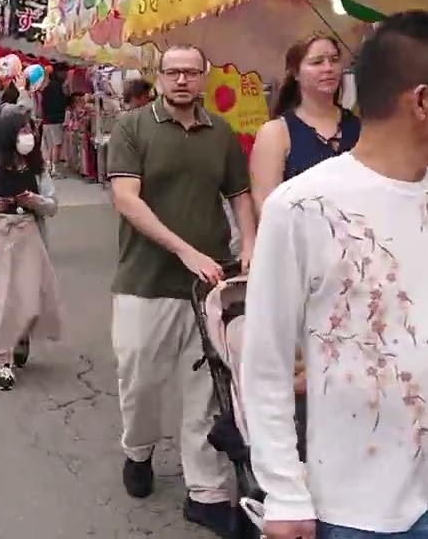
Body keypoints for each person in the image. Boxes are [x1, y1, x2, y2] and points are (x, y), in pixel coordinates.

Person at [241, 11, 428, 539]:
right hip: (358, 515)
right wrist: (284, 493)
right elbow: (266, 365)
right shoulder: (302, 207)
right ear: (420, 100)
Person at [105, 44, 256, 538]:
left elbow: (239, 195)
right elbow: (126, 198)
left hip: (210, 284)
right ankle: (139, 449)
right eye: (173, 72)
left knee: (209, 388)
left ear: (204, 78)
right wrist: (183, 250)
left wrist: (251, 243)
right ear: (159, 76)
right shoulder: (133, 127)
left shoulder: (222, 133)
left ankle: (206, 490)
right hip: (145, 281)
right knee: (140, 379)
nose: (182, 80)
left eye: (191, 72)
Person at [0, 110, 64, 390]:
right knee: (2, 301)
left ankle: (22, 336)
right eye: (22, 131)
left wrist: (36, 201)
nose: (28, 136)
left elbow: (53, 205)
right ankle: (4, 362)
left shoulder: (38, 169)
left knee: (30, 296)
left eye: (30, 130)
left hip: (29, 238)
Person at [249, 33, 361, 212]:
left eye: (334, 60)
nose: (328, 68)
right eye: (317, 62)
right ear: (295, 73)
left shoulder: (360, 128)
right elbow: (266, 205)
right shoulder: (277, 132)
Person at [41, 68, 69, 174]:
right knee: (57, 144)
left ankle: (48, 166)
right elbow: (63, 102)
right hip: (56, 120)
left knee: (50, 145)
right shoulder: (58, 88)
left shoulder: (45, 89)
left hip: (46, 120)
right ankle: (55, 169)